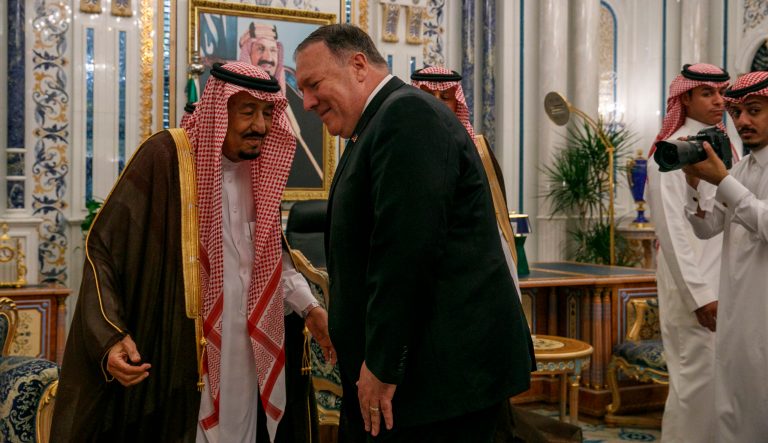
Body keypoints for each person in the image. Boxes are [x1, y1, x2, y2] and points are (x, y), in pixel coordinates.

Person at [50, 62, 334, 442]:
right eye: (247, 112)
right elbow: (103, 249)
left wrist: (310, 308)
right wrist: (110, 335)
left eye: (267, 113)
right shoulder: (166, 158)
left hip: (248, 349)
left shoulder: (257, 171)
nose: (261, 127)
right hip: (181, 347)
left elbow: (268, 261)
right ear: (219, 111)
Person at [295, 24, 534, 441]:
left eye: (314, 85)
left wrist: (384, 365)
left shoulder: (408, 116)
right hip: (417, 381)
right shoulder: (375, 125)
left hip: (435, 385)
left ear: (357, 66)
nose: (308, 102)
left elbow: (406, 251)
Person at [645, 63, 738, 443]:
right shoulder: (672, 151)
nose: (719, 101)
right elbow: (672, 230)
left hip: (725, 284)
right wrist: (700, 296)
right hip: (695, 289)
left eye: (721, 93)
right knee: (694, 385)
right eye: (707, 94)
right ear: (685, 98)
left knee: (720, 387)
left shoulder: (719, 146)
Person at [681, 70, 768, 442]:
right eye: (737, 113)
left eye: (755, 110)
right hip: (736, 316)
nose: (743, 121)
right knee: (732, 408)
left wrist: (723, 181)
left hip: (763, 317)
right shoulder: (743, 168)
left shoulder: (733, 176)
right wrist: (695, 183)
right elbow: (707, 227)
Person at [410, 66, 521, 298]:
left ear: (457, 103)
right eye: (428, 96)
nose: (437, 103)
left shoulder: (477, 149)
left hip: (473, 257)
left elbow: (495, 214)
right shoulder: (405, 148)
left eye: (445, 97)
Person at [239, 22, 325, 189]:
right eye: (260, 49)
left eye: (273, 50)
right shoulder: (233, 99)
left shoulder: (294, 96)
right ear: (247, 54)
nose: (268, 58)